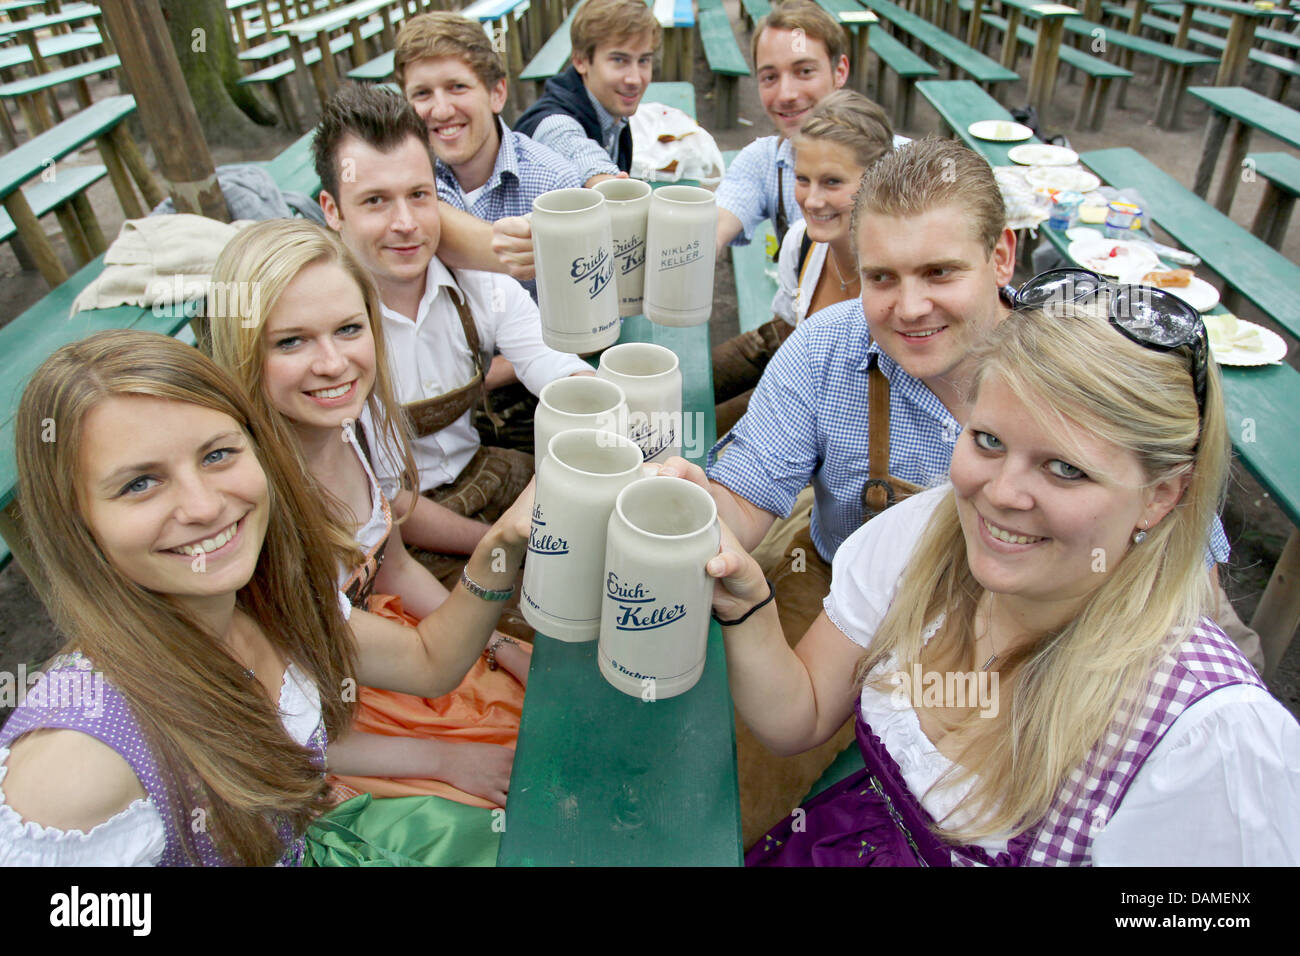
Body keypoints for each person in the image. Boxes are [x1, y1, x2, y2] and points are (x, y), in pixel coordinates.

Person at [702, 300, 1300, 866]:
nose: (1000, 496)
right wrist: (747, 607)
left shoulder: (1207, 738)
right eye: (988, 440)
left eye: (1065, 468)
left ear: (1162, 495)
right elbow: (797, 720)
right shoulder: (926, 536)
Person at [0, 331, 532, 865]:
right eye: (139, 484)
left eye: (217, 454)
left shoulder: (263, 602)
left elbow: (429, 661)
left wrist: (503, 543)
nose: (204, 506)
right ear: (74, 523)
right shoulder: (76, 765)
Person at [209, 218, 529, 810]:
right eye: (291, 341)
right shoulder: (248, 510)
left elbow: (393, 569)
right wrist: (446, 759)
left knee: (546, 717)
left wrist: (500, 649)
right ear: (242, 350)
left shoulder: (351, 425)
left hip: (388, 657)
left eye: (349, 328)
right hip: (332, 734)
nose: (332, 363)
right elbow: (277, 724)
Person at [312, 82, 592, 591]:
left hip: (486, 470)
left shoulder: (477, 287)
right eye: (375, 201)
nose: (405, 224)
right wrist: (510, 542)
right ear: (332, 210)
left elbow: (556, 366)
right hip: (409, 537)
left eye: (418, 196)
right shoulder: (325, 339)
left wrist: (597, 406)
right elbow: (391, 505)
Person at [713, 89, 895, 435]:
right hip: (798, 361)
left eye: (832, 182)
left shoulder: (900, 274)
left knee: (698, 433)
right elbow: (788, 334)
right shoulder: (802, 241)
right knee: (684, 391)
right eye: (802, 179)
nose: (811, 201)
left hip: (847, 423)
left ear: (879, 177)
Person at [396, 12, 582, 236]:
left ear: (497, 94)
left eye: (457, 87)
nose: (442, 111)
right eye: (422, 93)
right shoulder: (401, 181)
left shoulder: (555, 185)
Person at [713, 0, 851, 257]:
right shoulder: (764, 161)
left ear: (839, 71)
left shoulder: (899, 164)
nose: (786, 94)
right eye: (770, 77)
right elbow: (715, 226)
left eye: (804, 71)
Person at [513, 0, 661, 187]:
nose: (635, 79)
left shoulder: (610, 105)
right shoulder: (555, 124)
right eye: (619, 60)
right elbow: (574, 149)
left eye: (643, 60)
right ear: (581, 61)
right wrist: (610, 185)